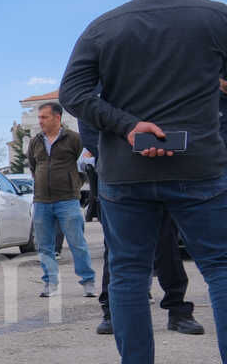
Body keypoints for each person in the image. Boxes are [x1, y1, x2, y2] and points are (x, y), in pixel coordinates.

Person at [59, 0, 227, 364]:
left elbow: (72, 94)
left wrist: (130, 126)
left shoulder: (103, 27)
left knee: (130, 274)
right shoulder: (216, 18)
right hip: (201, 168)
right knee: (220, 267)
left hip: (126, 174)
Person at [79, 116, 204, 336]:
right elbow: (88, 128)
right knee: (117, 250)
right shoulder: (100, 89)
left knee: (167, 246)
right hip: (119, 177)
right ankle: (111, 312)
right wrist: (117, 151)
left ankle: (178, 310)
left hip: (161, 171)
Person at [27, 103, 95, 298]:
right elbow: (33, 166)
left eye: (44, 117)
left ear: (57, 118)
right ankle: (50, 283)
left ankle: (88, 282)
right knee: (45, 245)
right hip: (41, 201)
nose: (40, 121)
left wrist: (73, 184)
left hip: (67, 200)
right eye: (39, 117)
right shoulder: (35, 141)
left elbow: (83, 165)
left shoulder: (74, 139)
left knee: (77, 243)